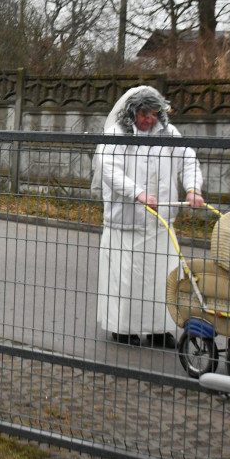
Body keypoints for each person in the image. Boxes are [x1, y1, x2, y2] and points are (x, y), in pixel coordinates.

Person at [94, 86, 204, 348]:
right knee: (126, 278)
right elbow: (109, 168)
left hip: (160, 223)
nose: (150, 119)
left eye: (154, 114)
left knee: (161, 279)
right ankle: (123, 328)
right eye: (145, 114)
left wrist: (192, 189)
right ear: (133, 112)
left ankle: (159, 330)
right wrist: (138, 193)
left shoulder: (168, 133)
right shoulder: (116, 134)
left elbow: (188, 158)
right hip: (127, 222)